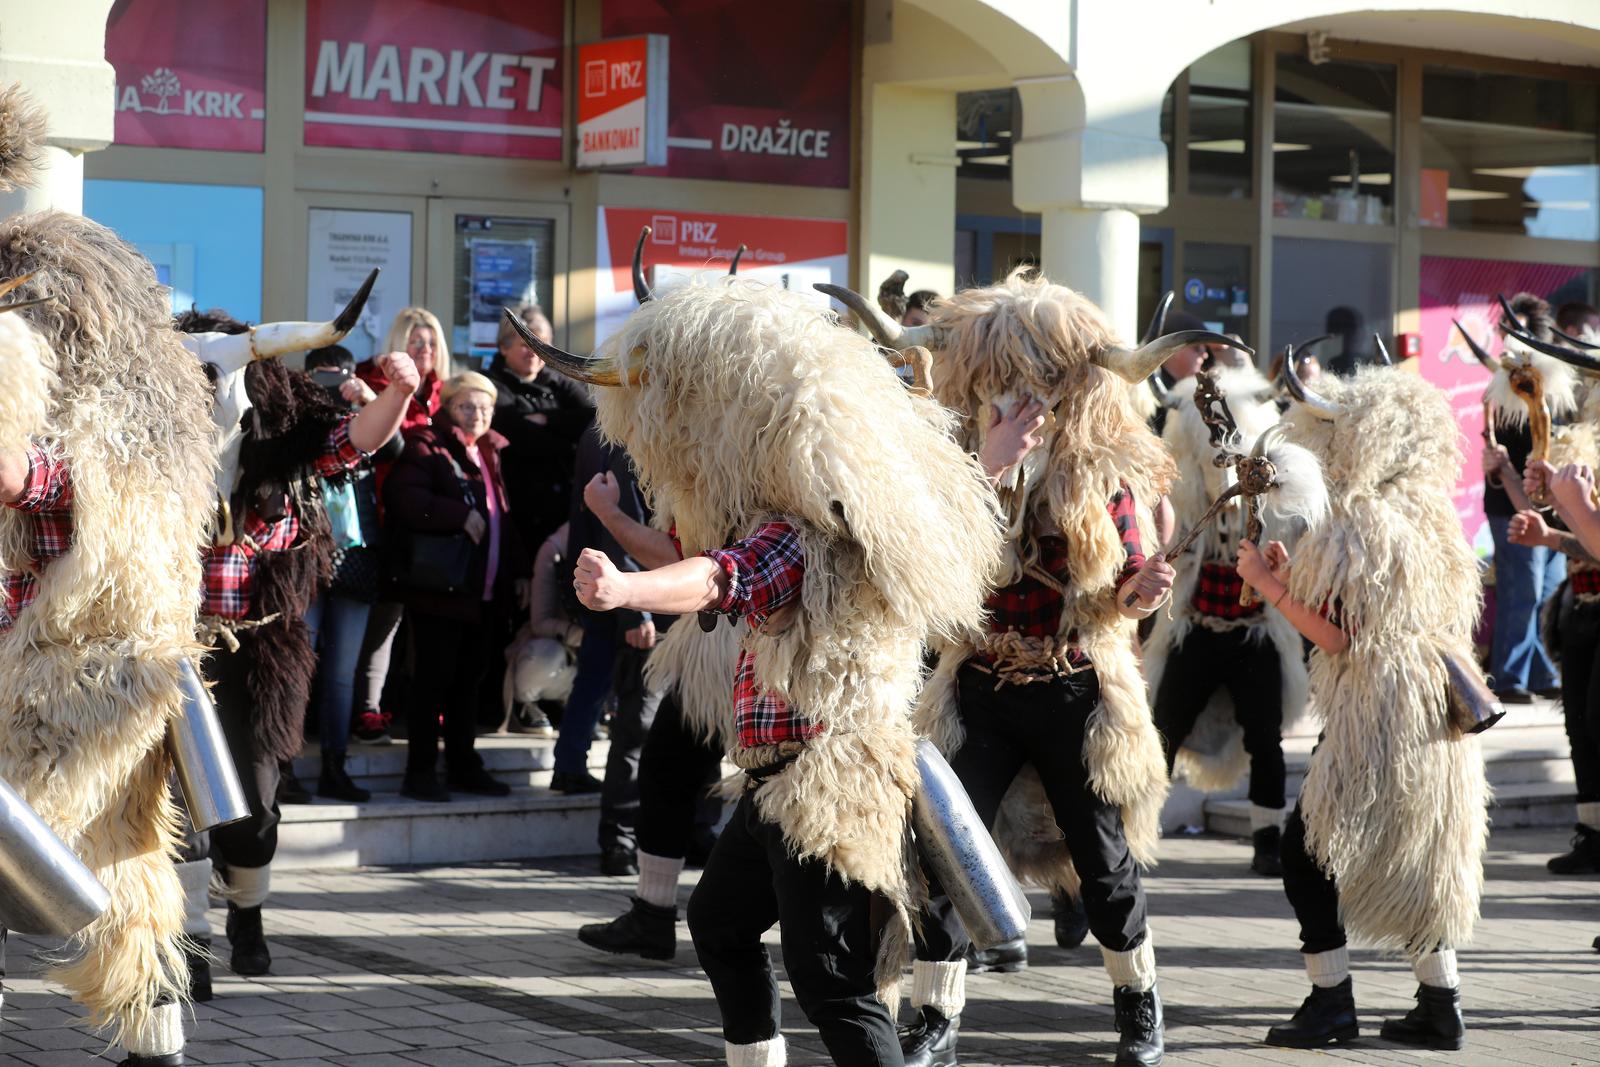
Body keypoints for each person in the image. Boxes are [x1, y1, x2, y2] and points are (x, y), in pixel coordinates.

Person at [524, 273, 1003, 1067]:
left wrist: (624, 590)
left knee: (833, 985)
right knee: (719, 923)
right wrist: (615, 528)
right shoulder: (788, 520)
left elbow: (719, 575)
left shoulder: (806, 533)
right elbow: (701, 555)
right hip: (774, 781)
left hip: (826, 784)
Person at [823, 271, 1234, 1067]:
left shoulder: (1101, 471)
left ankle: (1139, 1004)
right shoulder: (953, 463)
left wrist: (1142, 589)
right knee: (944, 851)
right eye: (1002, 382)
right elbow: (926, 563)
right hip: (977, 686)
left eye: (1039, 382)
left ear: (1068, 388)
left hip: (1073, 686)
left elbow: (1125, 592)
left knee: (1103, 858)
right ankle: (935, 1015)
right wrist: (987, 465)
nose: (1020, 399)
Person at [0, 101, 217, 1064]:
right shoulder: (134, 442)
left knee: (111, 859)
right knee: (130, 862)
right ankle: (157, 1045)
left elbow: (28, 478)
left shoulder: (85, 455)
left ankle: (156, 1042)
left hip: (74, 684)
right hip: (106, 673)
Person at [1243, 356, 1489, 1051]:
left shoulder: (1357, 517)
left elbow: (1340, 636)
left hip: (1376, 707)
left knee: (1306, 851)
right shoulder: (1431, 511)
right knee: (1420, 852)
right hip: (1433, 703)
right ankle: (1440, 1005)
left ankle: (1331, 1003)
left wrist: (1268, 584)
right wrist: (1298, 578)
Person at [181, 304, 411, 997]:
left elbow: (352, 442)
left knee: (255, 800)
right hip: (172, 648)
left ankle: (246, 913)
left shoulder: (282, 431)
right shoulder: (148, 447)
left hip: (262, 647)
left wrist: (400, 392)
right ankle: (187, 939)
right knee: (178, 806)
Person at [1147, 364, 1311, 878]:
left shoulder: (1276, 500)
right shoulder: (1182, 497)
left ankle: (1267, 839)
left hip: (1255, 631)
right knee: (1162, 730)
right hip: (1196, 627)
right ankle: (1135, 828)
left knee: (1265, 739)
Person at [383, 371, 526, 802]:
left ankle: (464, 766)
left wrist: (519, 571)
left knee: (469, 683)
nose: (477, 414)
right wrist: (456, 514)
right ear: (448, 408)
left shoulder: (489, 450)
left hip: (482, 593)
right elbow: (402, 498)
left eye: (485, 407)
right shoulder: (427, 444)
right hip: (441, 593)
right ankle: (421, 772)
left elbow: (502, 516)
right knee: (433, 683)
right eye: (467, 406)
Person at [302, 344, 403, 801]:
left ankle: (334, 767)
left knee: (342, 673)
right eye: (320, 378)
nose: (330, 388)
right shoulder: (294, 421)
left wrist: (368, 400)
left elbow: (396, 448)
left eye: (336, 378)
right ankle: (282, 768)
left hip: (356, 561)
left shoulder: (364, 422)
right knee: (296, 666)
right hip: (303, 558)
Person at [351, 306, 452, 744]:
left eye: (431, 342)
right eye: (415, 342)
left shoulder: (447, 393)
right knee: (383, 620)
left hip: (434, 527)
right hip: (384, 519)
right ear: (397, 345)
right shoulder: (373, 384)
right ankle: (367, 709)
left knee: (427, 624)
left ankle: (425, 707)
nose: (424, 349)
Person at [1481, 293, 1574, 703]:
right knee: (1524, 589)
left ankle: (1542, 671)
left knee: (1549, 589)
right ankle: (1509, 676)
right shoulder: (1504, 387)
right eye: (1507, 331)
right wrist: (1499, 468)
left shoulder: (1558, 386)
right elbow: (1496, 449)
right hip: (1510, 503)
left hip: (1557, 506)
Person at [486, 303, 594, 555]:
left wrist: (548, 420)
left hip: (562, 503)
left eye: (542, 344)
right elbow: (522, 437)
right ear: (503, 347)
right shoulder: (491, 385)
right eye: (526, 345)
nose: (535, 352)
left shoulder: (560, 382)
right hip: (515, 504)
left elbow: (591, 418)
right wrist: (569, 441)